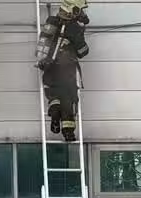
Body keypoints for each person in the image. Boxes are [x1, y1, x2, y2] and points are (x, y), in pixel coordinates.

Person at [35, 0, 90, 141]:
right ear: (74, 11)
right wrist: (78, 34)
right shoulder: (74, 28)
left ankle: (55, 114)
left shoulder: (51, 22)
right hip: (67, 70)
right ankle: (68, 131)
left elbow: (42, 44)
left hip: (49, 69)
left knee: (54, 96)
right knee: (69, 98)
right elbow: (83, 52)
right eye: (80, 10)